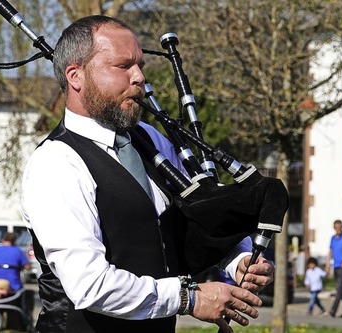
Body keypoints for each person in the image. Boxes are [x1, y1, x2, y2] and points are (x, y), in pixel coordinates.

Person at [21, 15, 274, 333]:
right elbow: (89, 285)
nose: (139, 77)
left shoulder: (151, 141)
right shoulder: (55, 163)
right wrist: (189, 299)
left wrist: (239, 260)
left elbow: (197, 215)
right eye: (123, 66)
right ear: (76, 76)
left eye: (139, 64)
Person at [325, 219, 342, 318]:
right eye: (336, 228)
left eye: (339, 228)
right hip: (335, 266)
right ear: (334, 228)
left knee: (339, 288)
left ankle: (333, 310)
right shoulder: (333, 238)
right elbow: (330, 252)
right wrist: (327, 264)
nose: (338, 230)